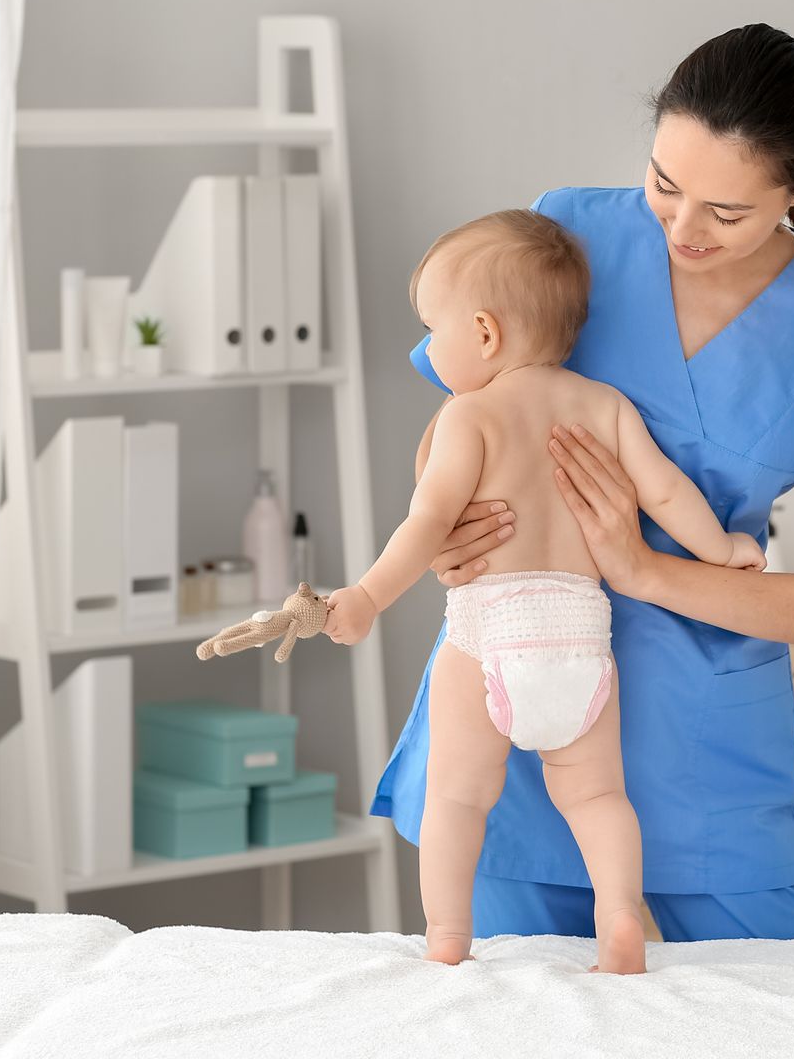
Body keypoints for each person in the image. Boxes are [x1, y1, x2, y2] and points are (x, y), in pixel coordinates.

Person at [371, 23, 794, 943]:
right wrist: (444, 529)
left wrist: (647, 571)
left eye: (727, 213)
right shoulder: (566, 233)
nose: (681, 229)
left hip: (708, 771)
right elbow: (455, 413)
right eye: (664, 184)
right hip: (511, 741)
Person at [320, 210, 763, 972]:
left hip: (491, 635)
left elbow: (428, 522)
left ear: (485, 334)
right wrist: (722, 548)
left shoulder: (471, 415)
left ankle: (448, 938)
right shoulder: (602, 406)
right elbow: (665, 491)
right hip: (582, 642)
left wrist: (365, 597)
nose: (429, 347)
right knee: (597, 800)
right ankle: (621, 921)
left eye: (435, 328)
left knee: (457, 799)